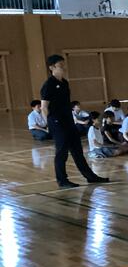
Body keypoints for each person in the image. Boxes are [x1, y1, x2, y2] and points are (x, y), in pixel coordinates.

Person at [40, 54, 108, 188]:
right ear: (52, 67)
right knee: (62, 153)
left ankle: (90, 177)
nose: (63, 68)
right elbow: (44, 107)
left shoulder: (64, 83)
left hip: (69, 122)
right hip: (57, 123)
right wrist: (50, 124)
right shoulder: (48, 85)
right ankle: (62, 180)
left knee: (77, 151)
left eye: (63, 65)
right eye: (60, 65)